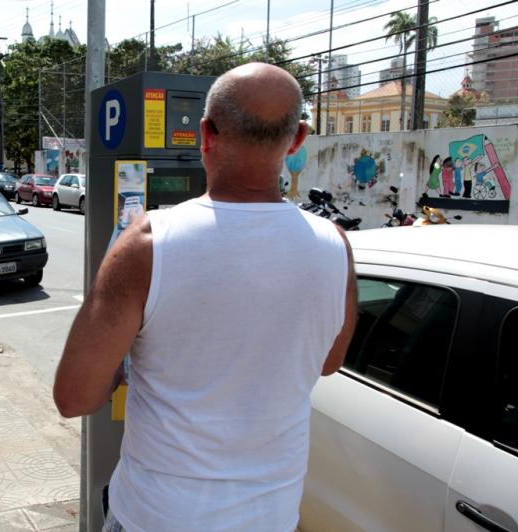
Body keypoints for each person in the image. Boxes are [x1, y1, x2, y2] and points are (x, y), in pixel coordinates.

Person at [53, 63, 358, 531]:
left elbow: (74, 396)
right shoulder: (334, 246)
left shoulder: (147, 244)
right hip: (270, 517)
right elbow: (328, 361)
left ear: (205, 135)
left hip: (156, 517)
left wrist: (123, 363)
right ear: (297, 139)